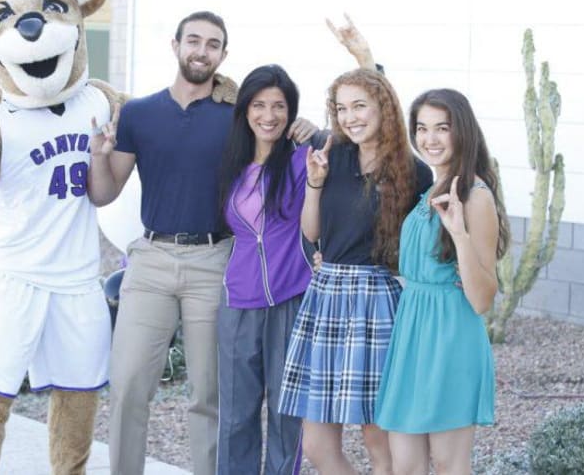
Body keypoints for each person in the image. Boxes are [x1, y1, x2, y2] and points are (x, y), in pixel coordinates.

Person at [87, 11, 314, 475]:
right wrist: (97, 157)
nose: (202, 51)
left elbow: (273, 134)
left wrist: (304, 126)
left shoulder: (235, 116)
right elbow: (105, 191)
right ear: (175, 45)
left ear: (223, 56)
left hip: (216, 260)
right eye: (194, 40)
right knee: (129, 383)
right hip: (150, 260)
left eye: (213, 44)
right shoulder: (138, 114)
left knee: (209, 394)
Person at [278, 52, 434, 472]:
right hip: (326, 294)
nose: (349, 117)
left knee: (377, 437)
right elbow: (312, 234)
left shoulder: (414, 172)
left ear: (383, 107)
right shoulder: (335, 155)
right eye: (341, 108)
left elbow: (417, 245)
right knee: (316, 444)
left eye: (359, 105)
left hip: (377, 299)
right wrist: (314, 183)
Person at [375, 89, 510, 475]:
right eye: (421, 128)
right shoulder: (432, 188)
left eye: (442, 128)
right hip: (412, 334)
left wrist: (461, 236)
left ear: (461, 132)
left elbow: (483, 298)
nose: (429, 138)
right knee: (405, 466)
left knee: (450, 466)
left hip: (450, 338)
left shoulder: (474, 195)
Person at [216, 64, 315, 474]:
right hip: (238, 300)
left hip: (291, 298)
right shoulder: (231, 166)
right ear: (245, 111)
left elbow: (359, 144)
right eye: (259, 105)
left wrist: (320, 131)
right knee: (236, 416)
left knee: (285, 415)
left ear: (291, 113)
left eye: (279, 106)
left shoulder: (303, 161)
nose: (269, 115)